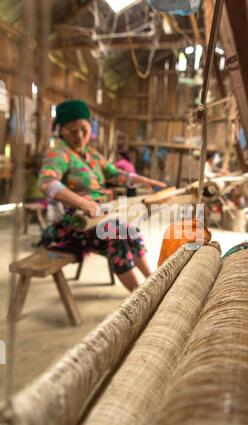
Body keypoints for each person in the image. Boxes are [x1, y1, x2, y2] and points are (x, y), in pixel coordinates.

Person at [38, 99, 166, 292]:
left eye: (84, 129)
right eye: (73, 131)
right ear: (62, 130)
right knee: (116, 236)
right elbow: (46, 183)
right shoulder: (59, 154)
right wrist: (83, 203)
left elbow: (115, 174)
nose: (80, 136)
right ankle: (142, 296)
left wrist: (145, 182)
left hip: (100, 216)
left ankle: (155, 283)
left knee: (131, 231)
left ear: (90, 127)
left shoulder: (91, 154)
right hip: (75, 223)